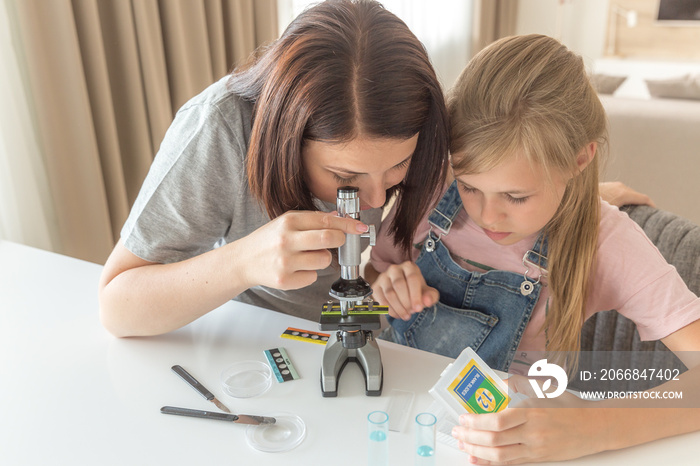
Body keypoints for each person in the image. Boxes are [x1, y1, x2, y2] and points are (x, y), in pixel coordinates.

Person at [368, 34, 700, 464]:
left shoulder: (609, 242)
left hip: (511, 441)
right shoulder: (430, 191)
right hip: (398, 416)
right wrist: (383, 286)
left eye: (516, 197)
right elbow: (369, 284)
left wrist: (598, 427)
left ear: (579, 161)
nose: (488, 216)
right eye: (468, 186)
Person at [98, 0, 450, 337]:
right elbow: (116, 308)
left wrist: (382, 283)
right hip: (256, 333)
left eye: (397, 166)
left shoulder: (417, 126)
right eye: (345, 177)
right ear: (288, 138)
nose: (376, 199)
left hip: (341, 326)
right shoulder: (221, 128)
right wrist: (243, 263)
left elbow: (355, 279)